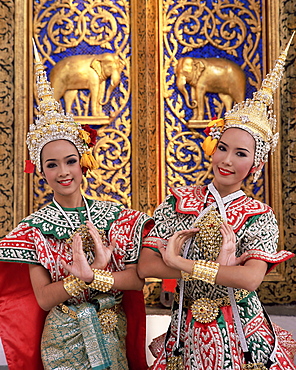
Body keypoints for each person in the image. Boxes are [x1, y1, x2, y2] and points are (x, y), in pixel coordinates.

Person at [138, 35, 296, 369]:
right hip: (187, 332)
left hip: (242, 334)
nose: (226, 159)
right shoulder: (179, 201)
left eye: (240, 154)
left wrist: (182, 264)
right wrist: (224, 271)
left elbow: (250, 280)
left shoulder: (258, 215)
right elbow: (147, 266)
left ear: (254, 165)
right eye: (222, 148)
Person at [0, 43, 153, 370]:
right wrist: (81, 279)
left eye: (70, 161)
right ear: (41, 171)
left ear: (83, 163)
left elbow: (137, 280)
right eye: (52, 165)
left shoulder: (115, 216)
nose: (63, 172)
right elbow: (42, 297)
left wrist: (94, 275)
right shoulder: (34, 229)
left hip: (112, 333)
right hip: (63, 339)